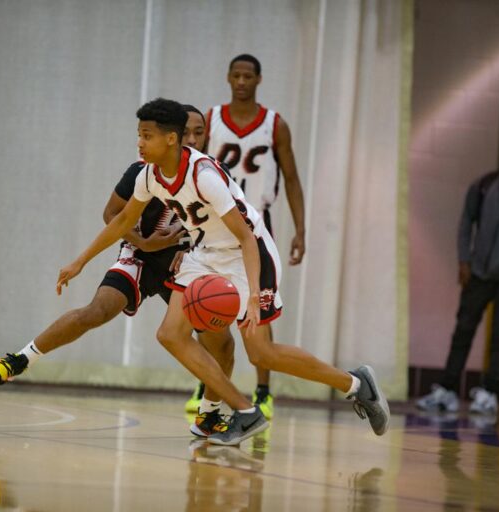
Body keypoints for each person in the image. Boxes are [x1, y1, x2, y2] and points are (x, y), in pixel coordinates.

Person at [56, 98, 389, 446]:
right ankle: (242, 411)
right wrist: (80, 261)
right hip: (205, 252)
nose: (139, 143)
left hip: (248, 251)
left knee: (261, 353)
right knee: (170, 334)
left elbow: (246, 237)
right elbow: (123, 220)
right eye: (139, 135)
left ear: (171, 139)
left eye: (147, 136)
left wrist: (255, 299)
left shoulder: (203, 176)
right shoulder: (150, 176)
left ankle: (356, 384)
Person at [0, 107, 236, 439]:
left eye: (198, 132)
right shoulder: (142, 172)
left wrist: (196, 254)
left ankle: (210, 412)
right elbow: (112, 215)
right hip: (140, 255)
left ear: (204, 135)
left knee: (221, 343)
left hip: (186, 263)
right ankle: (20, 359)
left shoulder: (211, 174)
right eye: (187, 131)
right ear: (174, 136)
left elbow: (226, 230)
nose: (193, 138)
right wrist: (137, 244)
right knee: (97, 310)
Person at [185, 54, 306, 418]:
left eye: (247, 76)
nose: (241, 81)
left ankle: (263, 391)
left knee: (259, 309)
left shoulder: (274, 124)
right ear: (227, 77)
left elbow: (292, 178)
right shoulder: (209, 119)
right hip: (212, 225)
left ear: (258, 79)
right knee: (205, 305)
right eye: (235, 75)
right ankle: (209, 384)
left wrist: (301, 229)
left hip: (256, 222)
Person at [416, 133, 499, 416]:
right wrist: (464, 260)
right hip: (477, 274)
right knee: (463, 330)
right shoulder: (485, 185)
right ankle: (447, 390)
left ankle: (488, 393)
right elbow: (466, 222)